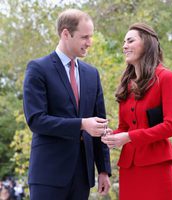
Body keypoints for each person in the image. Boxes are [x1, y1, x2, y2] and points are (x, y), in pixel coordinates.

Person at [23, 9, 111, 200]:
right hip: (48, 175)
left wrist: (103, 169)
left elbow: (99, 123)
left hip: (82, 177)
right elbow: (36, 120)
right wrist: (81, 124)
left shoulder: (92, 74)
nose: (90, 42)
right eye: (84, 37)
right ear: (65, 34)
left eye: (91, 36)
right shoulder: (38, 69)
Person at [102, 23, 172, 200]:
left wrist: (129, 137)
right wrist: (111, 136)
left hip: (157, 166)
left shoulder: (166, 78)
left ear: (146, 43)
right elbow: (124, 127)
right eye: (124, 42)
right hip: (129, 168)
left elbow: (171, 126)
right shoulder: (127, 85)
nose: (124, 46)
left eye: (130, 41)